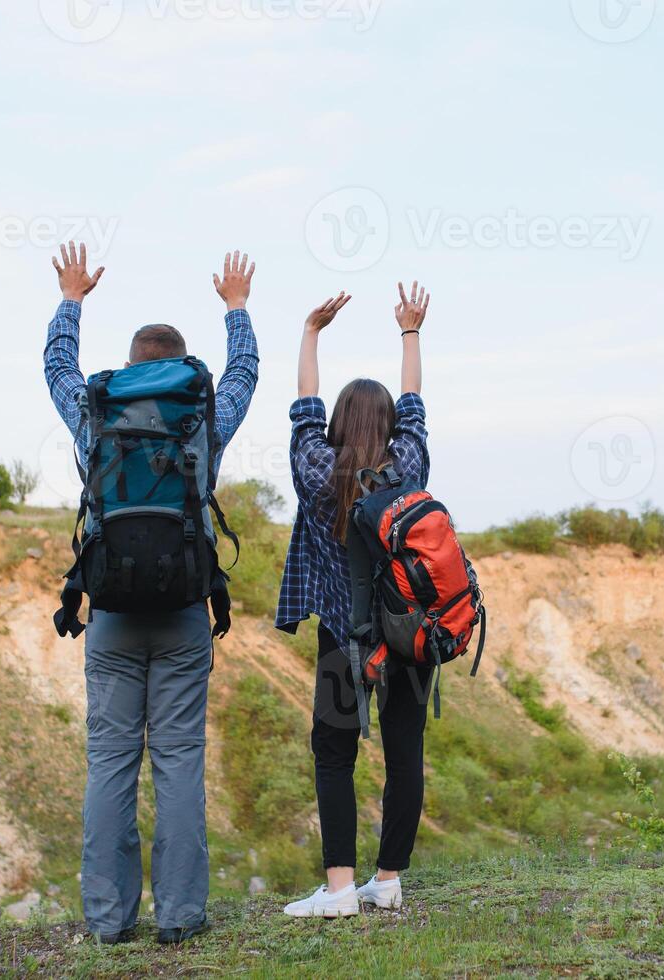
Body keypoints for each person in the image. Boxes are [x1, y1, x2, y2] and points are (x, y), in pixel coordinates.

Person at [43, 243, 260, 945]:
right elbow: (246, 376)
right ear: (176, 364)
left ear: (132, 363)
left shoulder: (96, 409)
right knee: (178, 760)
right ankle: (180, 917)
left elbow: (56, 368)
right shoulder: (202, 413)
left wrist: (71, 299)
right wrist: (237, 308)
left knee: (109, 763)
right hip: (183, 613)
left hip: (108, 613)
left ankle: (108, 921)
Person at [276, 281, 434, 918]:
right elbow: (416, 405)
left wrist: (312, 332)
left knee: (335, 757)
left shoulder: (317, 471)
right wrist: (411, 330)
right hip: (410, 637)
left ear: (339, 425)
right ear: (392, 426)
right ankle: (388, 880)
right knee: (405, 755)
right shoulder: (411, 467)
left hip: (344, 643)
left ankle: (340, 890)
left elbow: (304, 409)